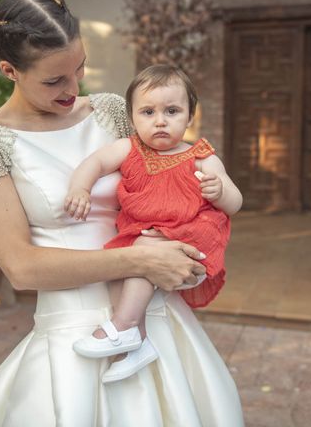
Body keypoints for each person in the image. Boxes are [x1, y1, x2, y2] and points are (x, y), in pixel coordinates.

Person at [0, 0, 244, 426]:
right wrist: (142, 258)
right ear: (9, 70)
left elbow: (173, 188)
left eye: (79, 67)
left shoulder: (111, 113)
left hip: (155, 312)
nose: (74, 88)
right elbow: (20, 268)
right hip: (73, 328)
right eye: (54, 80)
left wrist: (195, 241)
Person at [66, 65, 242, 384]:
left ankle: (122, 326)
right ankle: (138, 343)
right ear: (133, 118)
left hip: (190, 234)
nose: (160, 120)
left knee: (143, 256)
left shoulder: (201, 157)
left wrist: (221, 192)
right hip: (143, 234)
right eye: (148, 112)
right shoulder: (128, 149)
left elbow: (236, 202)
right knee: (121, 268)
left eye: (172, 111)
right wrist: (80, 188)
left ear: (189, 117)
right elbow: (94, 163)